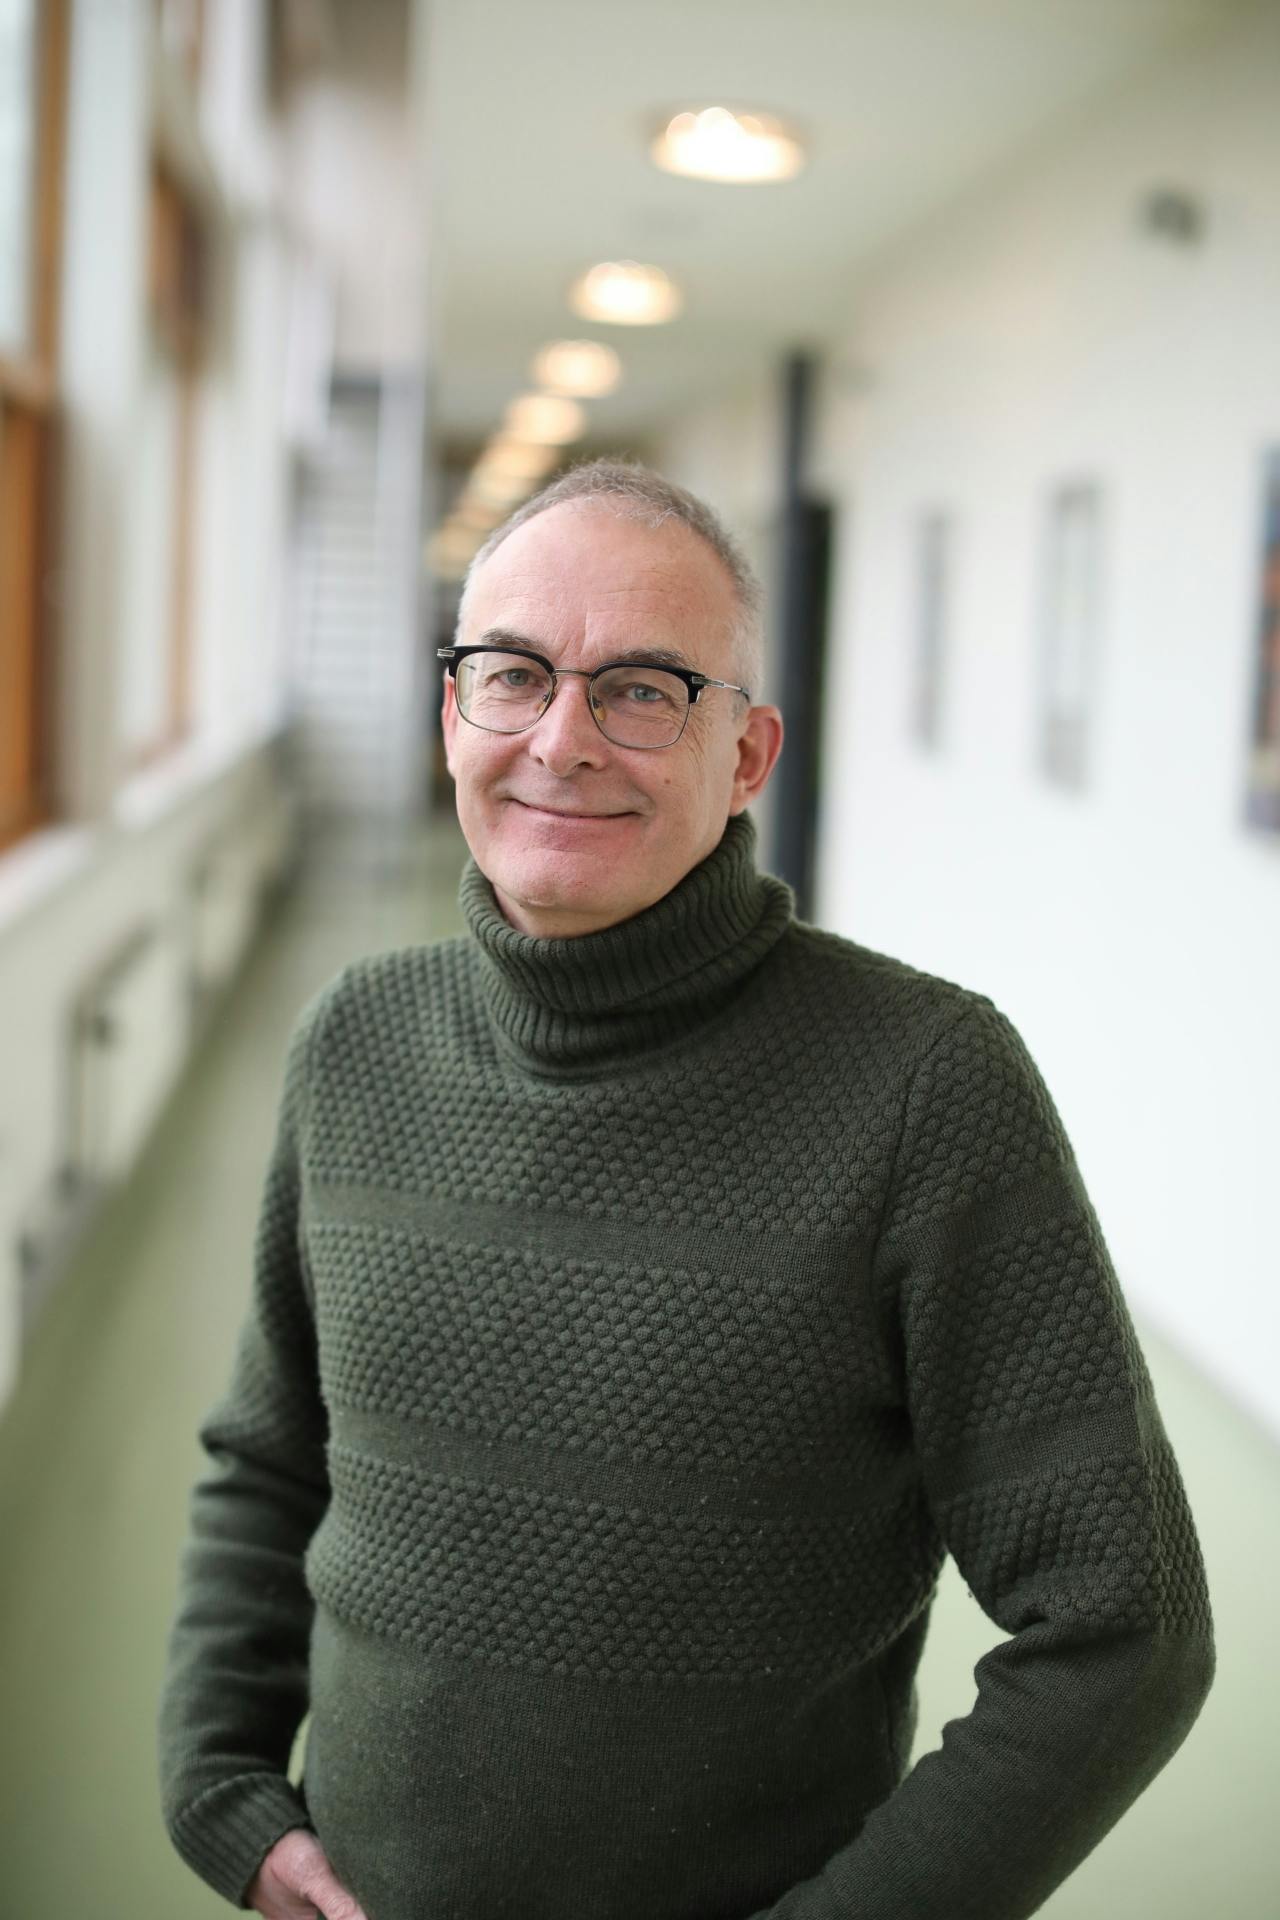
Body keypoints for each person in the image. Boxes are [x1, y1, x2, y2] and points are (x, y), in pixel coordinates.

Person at [157, 459, 1215, 1920]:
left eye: (645, 689)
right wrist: (224, 1792)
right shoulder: (358, 1040)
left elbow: (1126, 1628)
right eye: (512, 675)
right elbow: (269, 1462)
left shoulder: (925, 1087)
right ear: (452, 710)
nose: (564, 740)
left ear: (750, 756)